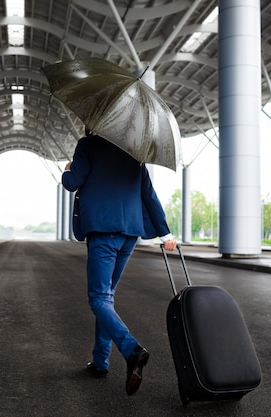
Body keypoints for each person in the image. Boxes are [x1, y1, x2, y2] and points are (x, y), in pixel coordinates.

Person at [62, 128, 177, 396]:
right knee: (107, 298)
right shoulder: (134, 152)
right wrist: (166, 233)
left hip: (103, 231)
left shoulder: (88, 145)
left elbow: (72, 182)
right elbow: (149, 194)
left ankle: (132, 349)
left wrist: (68, 169)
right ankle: (100, 363)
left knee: (99, 299)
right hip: (129, 234)